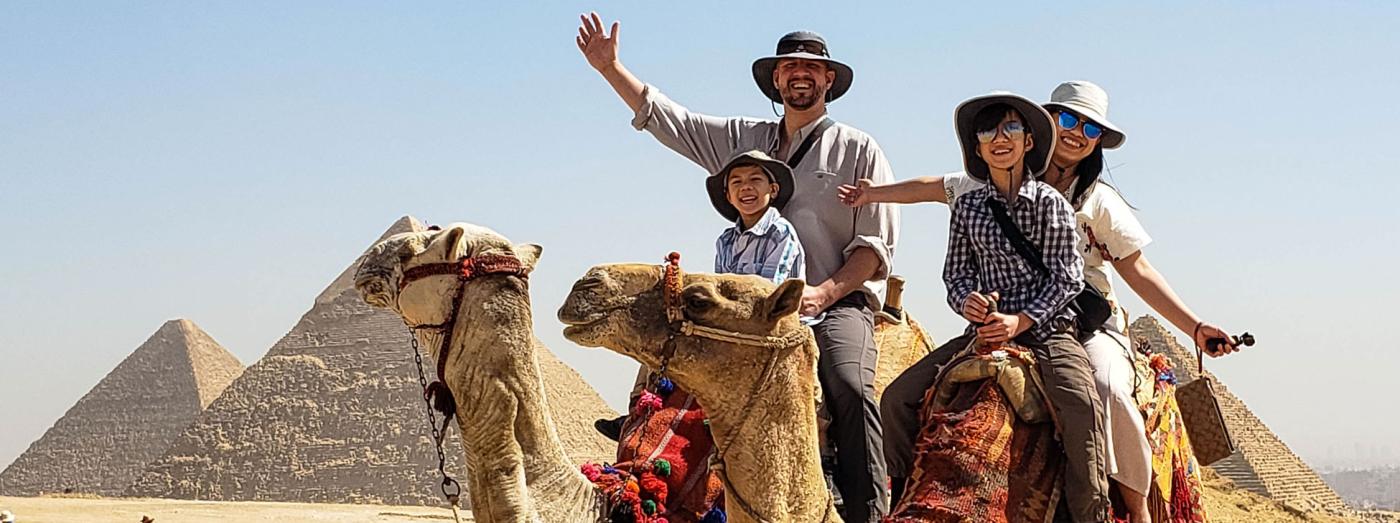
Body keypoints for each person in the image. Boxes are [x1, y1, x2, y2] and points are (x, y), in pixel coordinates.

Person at [840, 81, 1239, 522]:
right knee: (899, 399)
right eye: (1067, 118)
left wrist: (1195, 328)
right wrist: (872, 196)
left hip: (1070, 321)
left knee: (1099, 393)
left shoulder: (1091, 202)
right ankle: (903, 494)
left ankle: (1125, 508)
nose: (1076, 131)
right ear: (1045, 123)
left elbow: (1130, 270)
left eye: (1089, 127)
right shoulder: (977, 191)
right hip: (993, 324)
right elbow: (937, 204)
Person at [577, 13, 898, 520]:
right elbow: (673, 122)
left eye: (812, 68)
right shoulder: (744, 140)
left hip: (832, 303)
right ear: (775, 78)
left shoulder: (859, 149)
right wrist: (611, 68)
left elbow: (873, 249)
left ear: (828, 80)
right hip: (744, 309)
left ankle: (866, 510)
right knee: (658, 358)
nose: (800, 74)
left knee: (850, 386)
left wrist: (822, 294)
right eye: (790, 66)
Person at [871, 92, 1111, 522]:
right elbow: (956, 275)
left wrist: (1020, 320)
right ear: (977, 147)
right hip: (983, 330)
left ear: (1029, 142)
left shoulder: (1051, 205)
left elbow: (1067, 278)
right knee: (896, 400)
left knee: (1082, 408)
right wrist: (970, 302)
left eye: (1011, 129)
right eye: (988, 132)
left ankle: (1091, 514)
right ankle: (907, 495)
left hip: (1048, 329)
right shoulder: (967, 207)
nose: (999, 139)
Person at [595, 149, 805, 437]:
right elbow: (721, 285)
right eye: (737, 182)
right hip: (733, 319)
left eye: (756, 179)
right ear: (729, 196)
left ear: (773, 189)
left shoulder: (782, 233)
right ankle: (640, 412)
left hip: (766, 323)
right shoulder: (726, 240)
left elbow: (769, 293)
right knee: (660, 336)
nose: (746, 187)